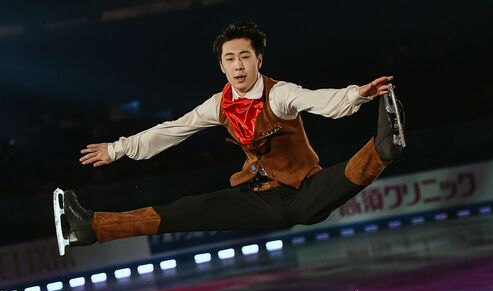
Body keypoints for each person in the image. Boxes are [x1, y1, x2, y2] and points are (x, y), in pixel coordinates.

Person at [57, 21, 404, 254]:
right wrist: (117, 149)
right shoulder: (218, 105)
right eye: (230, 59)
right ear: (222, 66)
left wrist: (358, 94)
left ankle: (385, 147)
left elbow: (318, 100)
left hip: (303, 192)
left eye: (244, 57)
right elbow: (173, 129)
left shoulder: (279, 94)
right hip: (257, 198)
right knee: (182, 211)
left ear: (258, 60)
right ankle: (87, 228)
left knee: (341, 177)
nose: (238, 65)